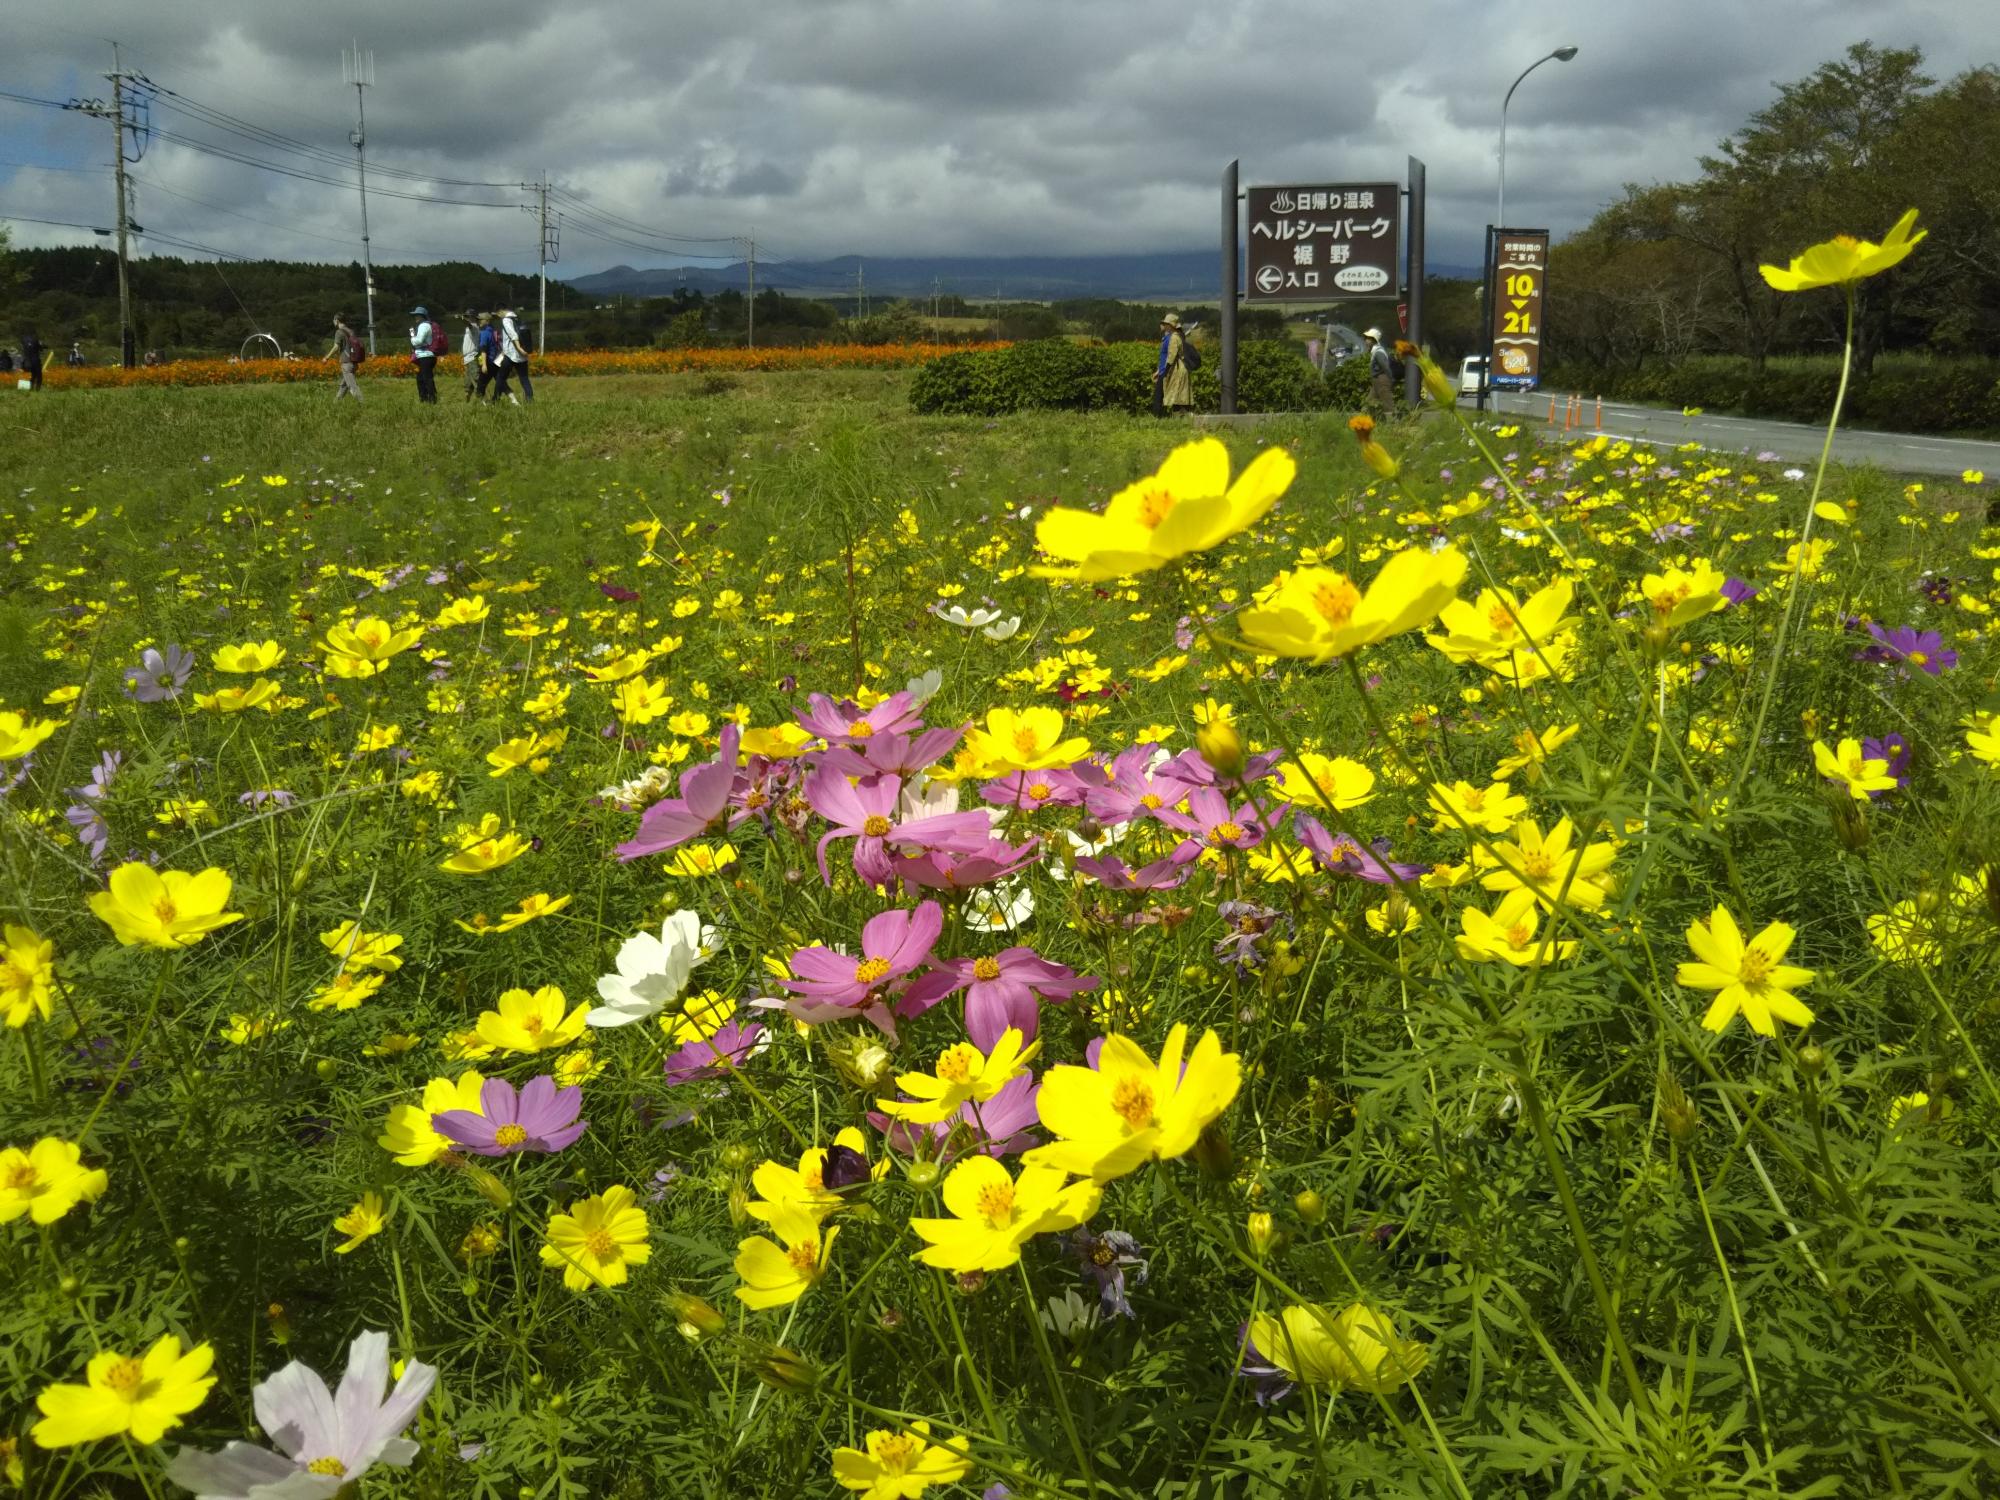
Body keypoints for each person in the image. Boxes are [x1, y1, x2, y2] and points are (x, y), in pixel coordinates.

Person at [1155, 312, 1192, 416]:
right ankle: (1182, 418)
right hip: (1179, 369)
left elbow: (1171, 356)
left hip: (1177, 370)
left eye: (1166, 323)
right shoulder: (1177, 336)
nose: (1164, 325)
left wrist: (1165, 372)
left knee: (1177, 397)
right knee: (1179, 396)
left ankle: (1181, 418)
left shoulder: (1174, 338)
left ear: (1170, 325)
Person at [323, 315, 364, 401]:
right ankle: (336, 402)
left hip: (346, 362)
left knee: (352, 386)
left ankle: (362, 403)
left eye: (333, 320)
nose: (333, 322)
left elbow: (336, 347)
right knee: (344, 385)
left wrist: (327, 357)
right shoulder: (351, 331)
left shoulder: (339, 332)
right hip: (354, 362)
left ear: (337, 320)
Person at [498, 308, 534, 402]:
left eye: (498, 314)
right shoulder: (517, 318)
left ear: (501, 311)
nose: (498, 316)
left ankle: (496, 399)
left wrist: (519, 349)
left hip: (511, 354)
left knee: (500, 378)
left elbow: (513, 335)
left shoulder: (506, 320)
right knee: (524, 378)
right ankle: (530, 400)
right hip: (522, 356)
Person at [408, 305, 439, 404]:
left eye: (417, 315)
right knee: (421, 378)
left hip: (425, 356)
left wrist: (412, 339)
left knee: (426, 379)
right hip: (427, 356)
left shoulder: (423, 326)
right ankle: (425, 398)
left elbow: (419, 341)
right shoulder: (426, 325)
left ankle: (431, 399)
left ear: (422, 316)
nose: (415, 317)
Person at [1364, 328, 1394, 411]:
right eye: (1366, 338)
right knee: (1368, 404)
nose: (1366, 340)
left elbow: (1385, 366)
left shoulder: (1378, 352)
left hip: (1381, 381)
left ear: (1374, 340)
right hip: (1377, 381)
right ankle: (1363, 421)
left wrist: (1391, 378)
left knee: (1388, 406)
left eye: (1369, 338)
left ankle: (1396, 422)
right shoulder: (1375, 351)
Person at [460, 310, 482, 401]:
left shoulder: (474, 327)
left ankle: (482, 397)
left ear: (474, 318)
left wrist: (461, 319)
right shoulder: (468, 328)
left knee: (475, 377)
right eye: (467, 316)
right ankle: (468, 396)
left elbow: (468, 324)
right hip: (467, 356)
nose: (468, 318)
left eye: (470, 316)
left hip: (472, 356)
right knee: (468, 379)